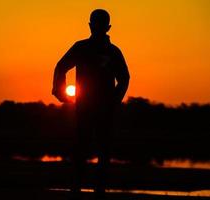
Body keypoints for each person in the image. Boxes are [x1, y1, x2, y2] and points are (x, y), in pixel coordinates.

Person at [52, 9, 130, 199]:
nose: (97, 28)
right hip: (91, 107)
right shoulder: (99, 50)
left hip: (96, 108)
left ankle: (87, 188)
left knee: (93, 149)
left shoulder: (101, 51)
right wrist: (60, 91)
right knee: (89, 149)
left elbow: (124, 78)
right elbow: (125, 78)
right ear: (107, 27)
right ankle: (84, 188)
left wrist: (60, 91)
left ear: (92, 25)